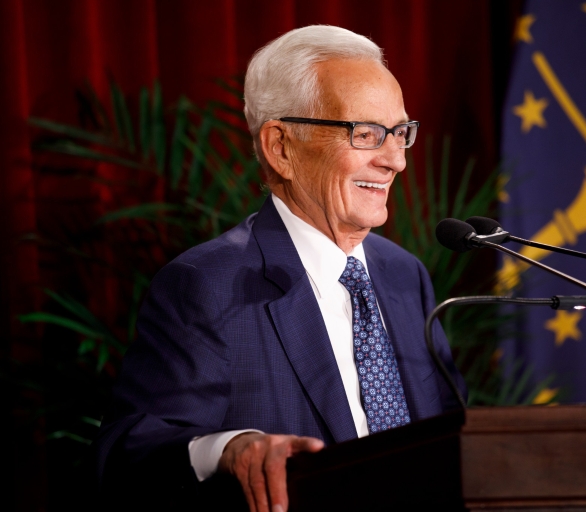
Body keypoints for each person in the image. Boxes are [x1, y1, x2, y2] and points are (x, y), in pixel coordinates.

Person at [94, 25, 465, 512]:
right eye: (367, 133)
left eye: (399, 133)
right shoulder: (207, 284)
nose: (394, 160)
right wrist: (229, 450)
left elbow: (453, 432)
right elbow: (128, 453)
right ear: (281, 148)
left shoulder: (404, 273)